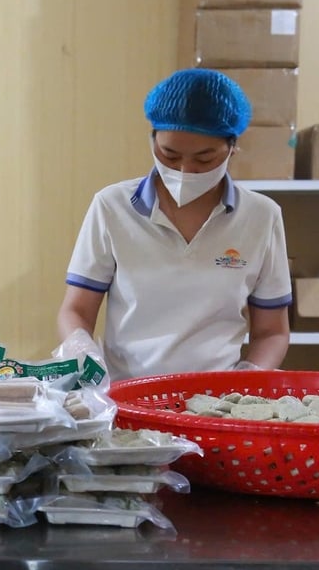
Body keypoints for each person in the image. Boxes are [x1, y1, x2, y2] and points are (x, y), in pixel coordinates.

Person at [57, 69, 291, 381]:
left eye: (204, 159)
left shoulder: (261, 216)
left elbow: (272, 331)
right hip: (127, 391)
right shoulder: (112, 207)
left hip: (215, 396)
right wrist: (82, 353)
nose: (185, 170)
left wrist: (246, 380)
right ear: (152, 139)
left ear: (232, 146)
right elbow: (76, 310)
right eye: (169, 155)